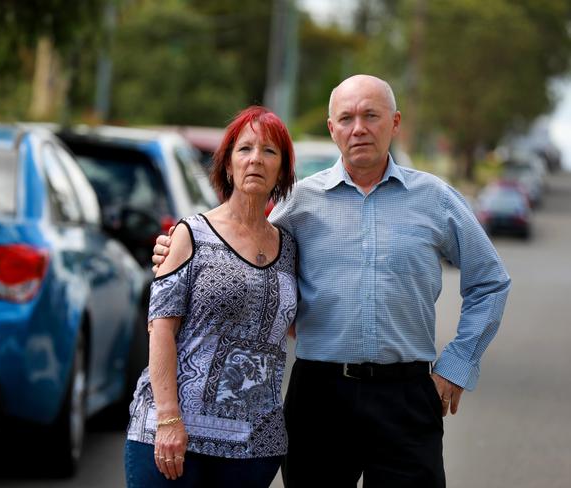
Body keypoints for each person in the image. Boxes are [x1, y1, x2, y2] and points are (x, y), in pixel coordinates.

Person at [153, 75, 511, 487]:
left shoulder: (436, 199)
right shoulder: (298, 204)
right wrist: (177, 248)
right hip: (319, 397)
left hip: (407, 396)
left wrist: (457, 365)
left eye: (371, 116)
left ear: (394, 123)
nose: (358, 128)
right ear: (332, 128)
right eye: (346, 118)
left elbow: (491, 281)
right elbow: (243, 257)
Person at [125, 105, 297, 487]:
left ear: (282, 171)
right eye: (245, 149)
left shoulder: (289, 247)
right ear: (228, 165)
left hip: (254, 447)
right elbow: (160, 329)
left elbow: (297, 325)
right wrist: (168, 419)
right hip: (176, 440)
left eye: (270, 152)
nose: (256, 159)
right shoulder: (190, 235)